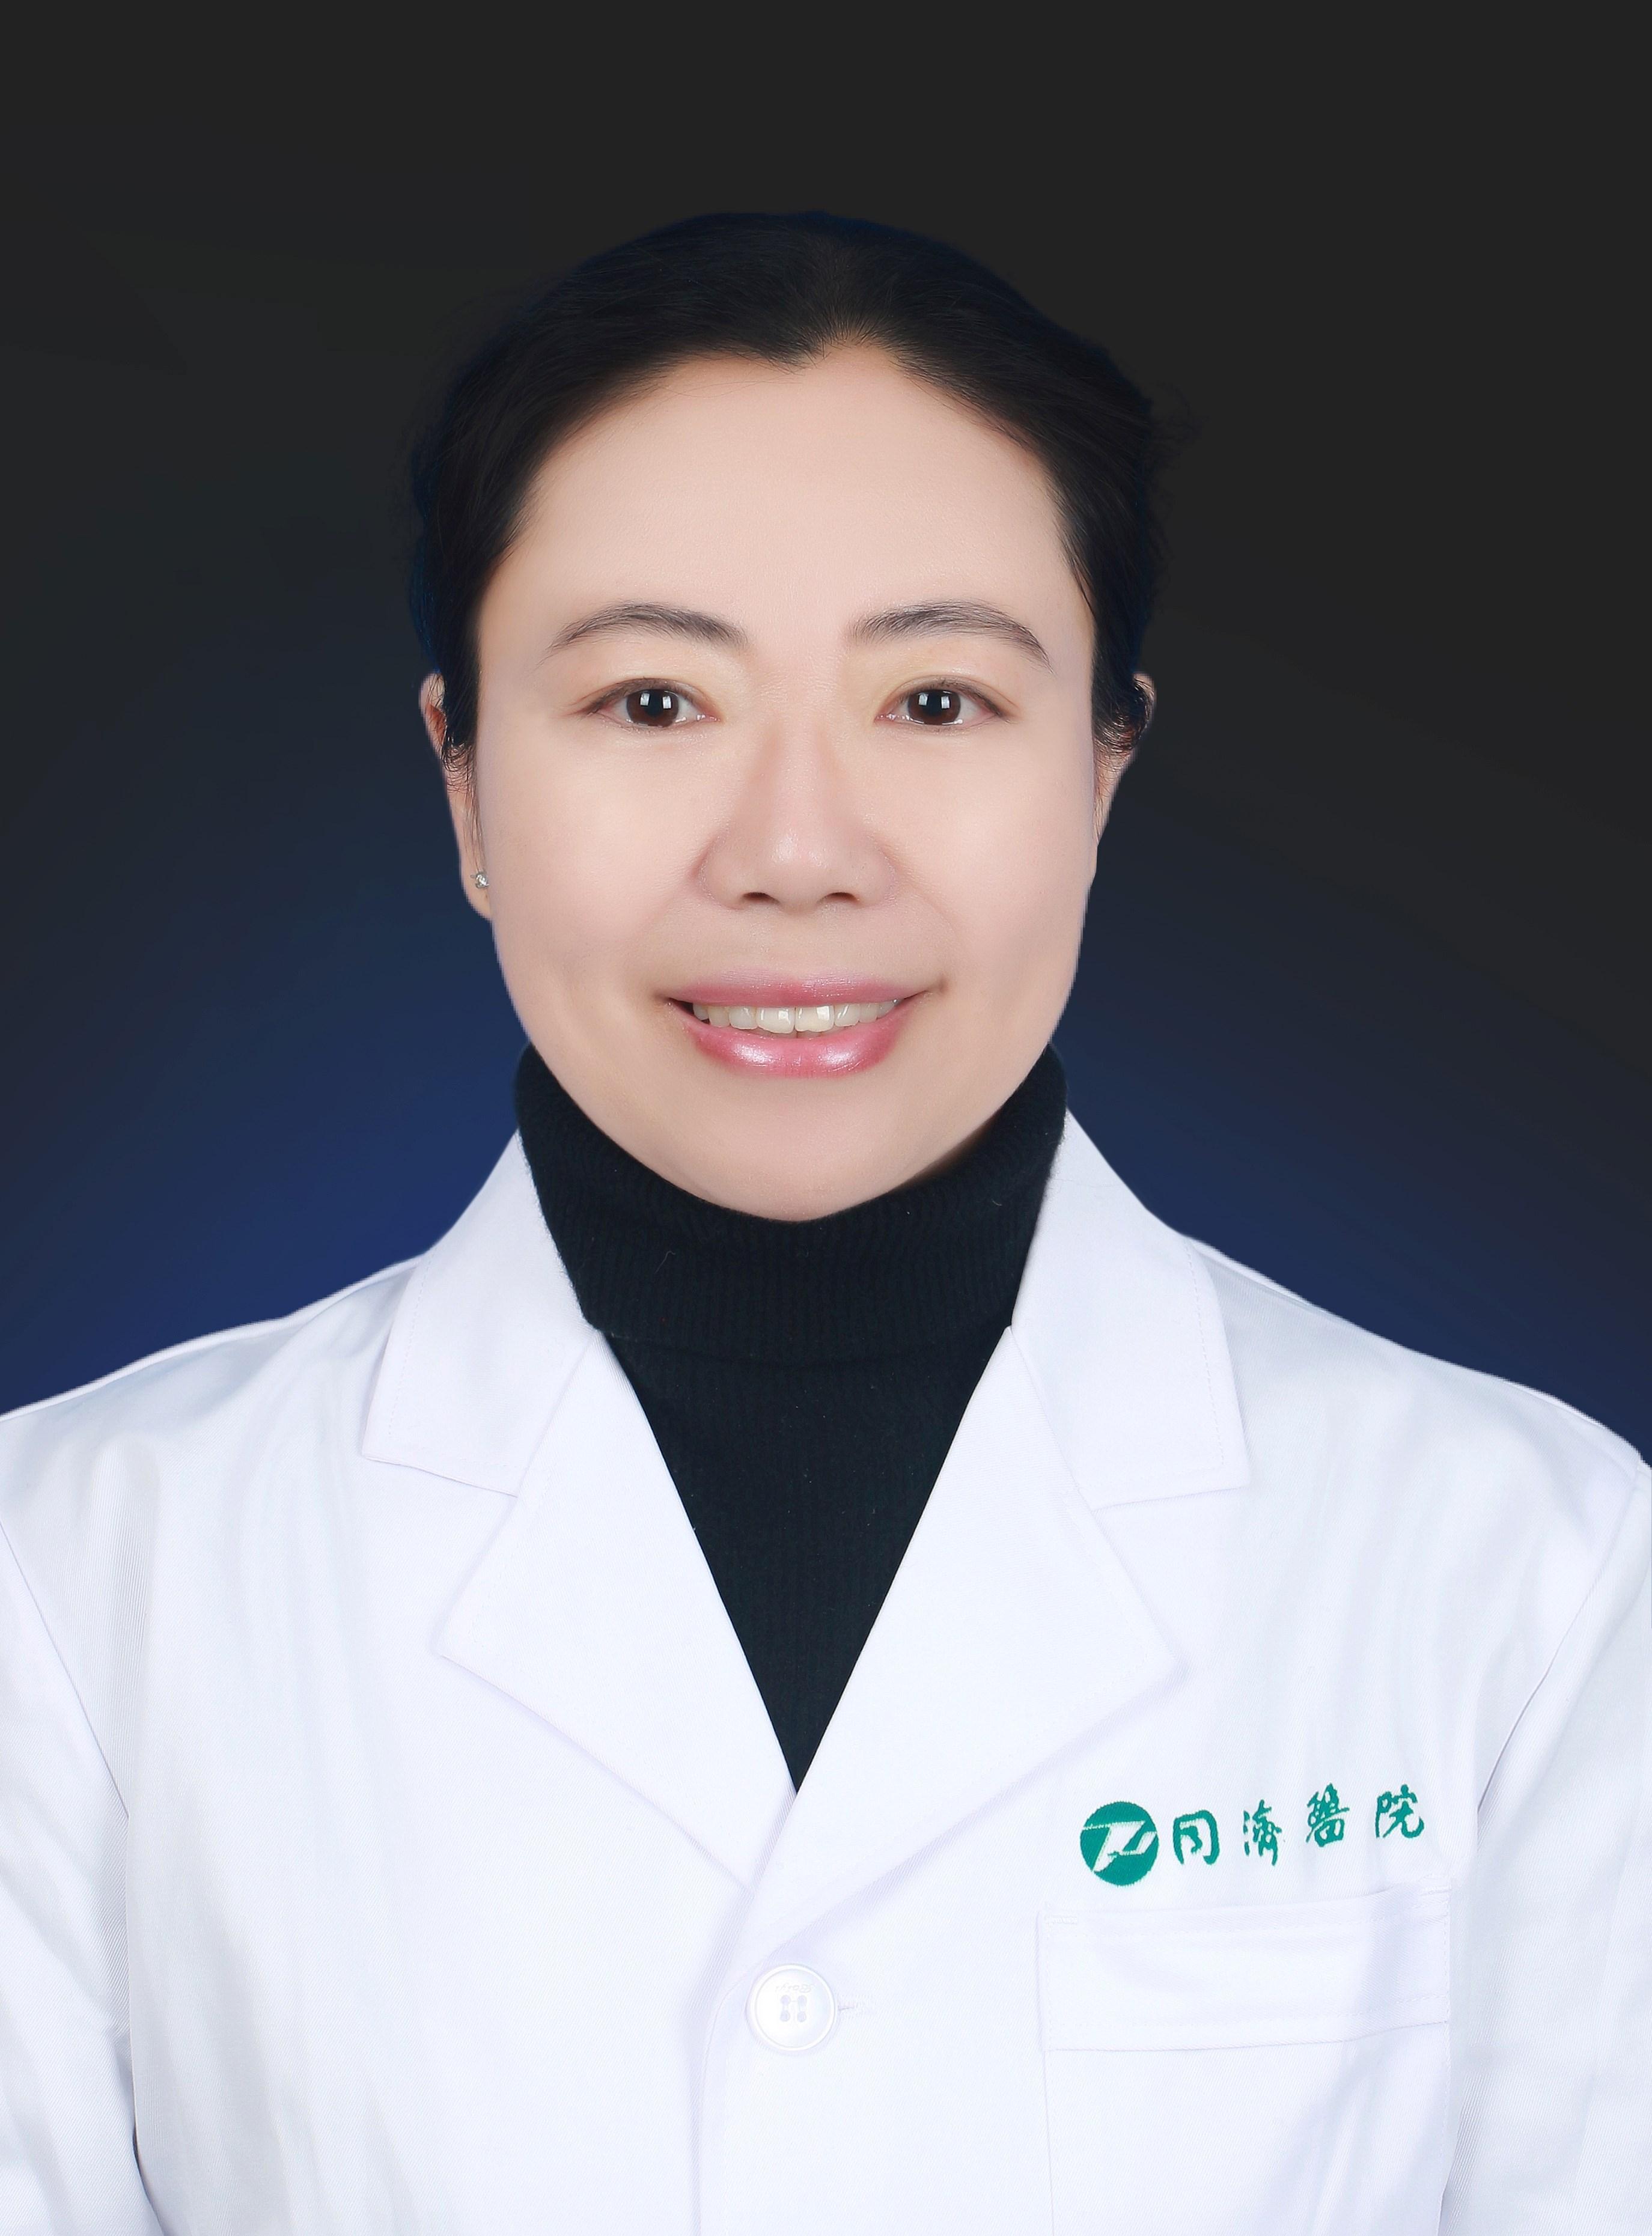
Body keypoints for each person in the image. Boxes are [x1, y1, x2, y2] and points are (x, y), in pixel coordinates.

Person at [0, 211, 1645, 2234]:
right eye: (653, 703)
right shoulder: (72, 1575)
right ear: (465, 784)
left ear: (1103, 769)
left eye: (936, 702)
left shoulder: (1529, 1574)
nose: (796, 852)